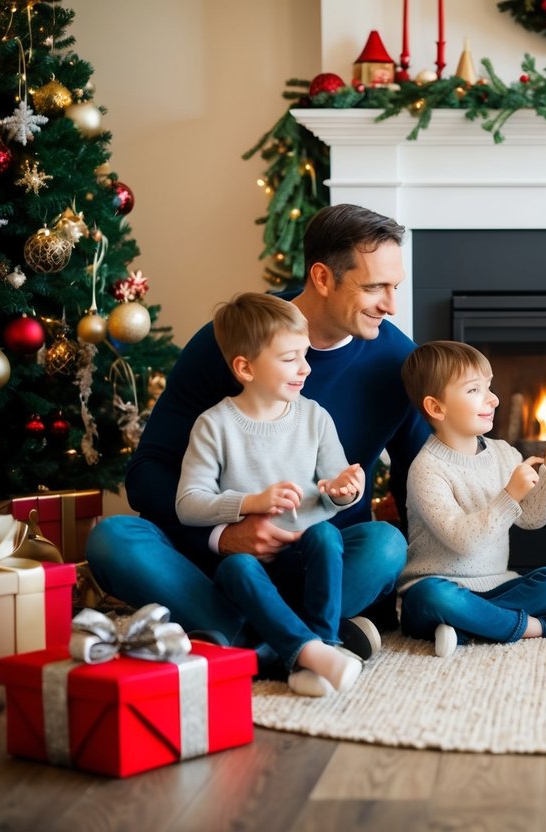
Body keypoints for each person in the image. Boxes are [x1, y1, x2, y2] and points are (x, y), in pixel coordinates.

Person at [86, 204, 431, 667]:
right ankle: (298, 640)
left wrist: (434, 595)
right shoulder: (232, 341)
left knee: (385, 547)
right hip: (221, 565)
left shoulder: (396, 361)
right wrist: (224, 535)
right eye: (374, 288)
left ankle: (247, 639)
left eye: (395, 287)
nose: (391, 305)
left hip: (320, 559)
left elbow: (423, 478)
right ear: (323, 278)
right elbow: (148, 473)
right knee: (113, 539)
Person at [174, 292, 370, 696]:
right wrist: (251, 503)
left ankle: (303, 649)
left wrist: (343, 491)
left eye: (304, 354)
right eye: (289, 359)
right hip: (253, 567)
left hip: (307, 561)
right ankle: (317, 653)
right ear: (245, 367)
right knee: (235, 569)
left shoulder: (315, 417)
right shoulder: (214, 425)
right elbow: (187, 503)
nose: (305, 368)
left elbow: (334, 485)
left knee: (336, 537)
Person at [397, 340, 546, 657]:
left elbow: (531, 518)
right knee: (432, 596)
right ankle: (538, 627)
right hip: (440, 587)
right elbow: (464, 542)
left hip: (497, 586)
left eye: (489, 386)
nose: (494, 399)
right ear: (436, 408)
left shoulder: (502, 454)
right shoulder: (427, 469)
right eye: (475, 391)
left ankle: (467, 628)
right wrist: (509, 494)